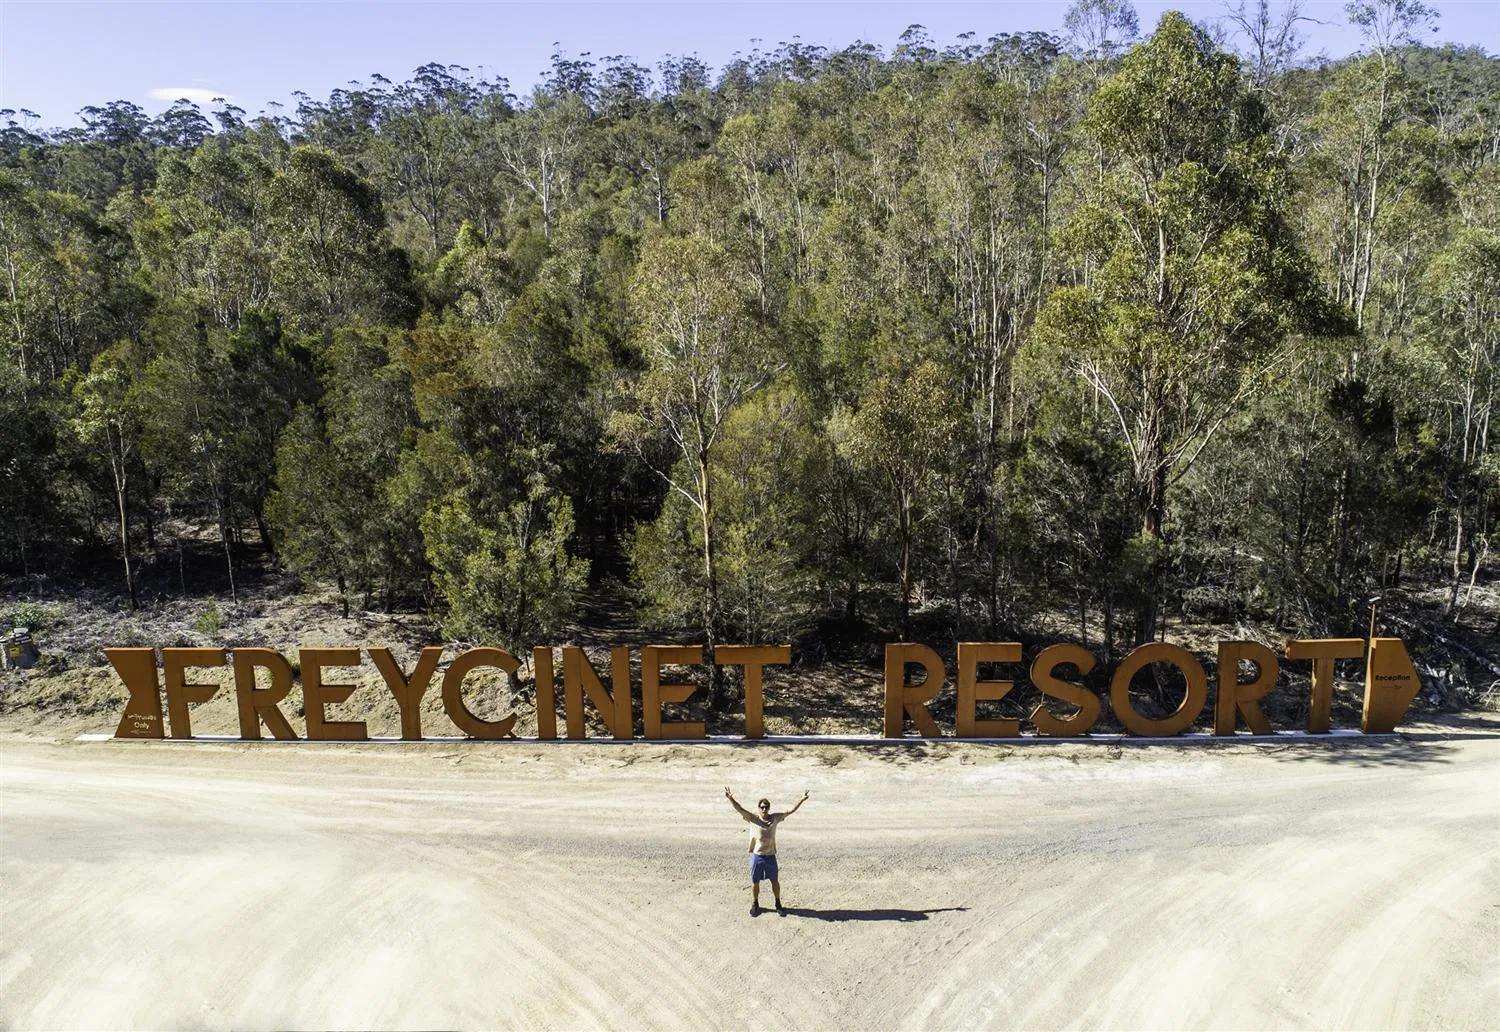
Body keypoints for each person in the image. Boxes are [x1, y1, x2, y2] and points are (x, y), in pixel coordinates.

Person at [724, 786, 809, 916]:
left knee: (775, 881)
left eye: (766, 807)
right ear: (759, 808)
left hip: (770, 856)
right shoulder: (753, 818)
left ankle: (778, 903)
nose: (764, 809)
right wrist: (730, 798)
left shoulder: (775, 818)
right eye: (762, 807)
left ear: (769, 808)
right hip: (757, 856)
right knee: (755, 882)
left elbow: (790, 811)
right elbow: (740, 809)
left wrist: (802, 799)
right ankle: (755, 903)